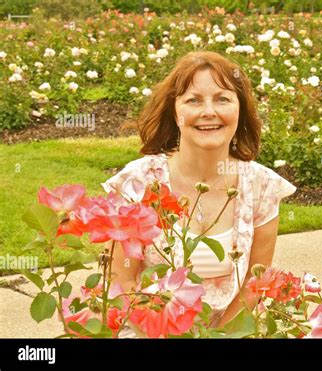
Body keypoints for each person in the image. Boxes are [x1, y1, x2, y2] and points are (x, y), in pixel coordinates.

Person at [101, 51, 296, 336]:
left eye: (223, 99)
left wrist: (216, 336)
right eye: (193, 100)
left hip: (231, 330)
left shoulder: (262, 186)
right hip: (149, 328)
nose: (209, 111)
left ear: (239, 110)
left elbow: (256, 284)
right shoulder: (138, 183)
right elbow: (120, 283)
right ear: (175, 111)